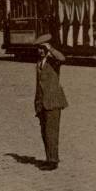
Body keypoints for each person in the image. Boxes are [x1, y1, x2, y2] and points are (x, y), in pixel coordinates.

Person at [33, 34, 68, 171]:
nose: (40, 51)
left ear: (47, 48)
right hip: (42, 102)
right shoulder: (38, 62)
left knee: (52, 132)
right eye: (38, 48)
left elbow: (62, 58)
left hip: (53, 101)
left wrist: (51, 49)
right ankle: (48, 158)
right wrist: (36, 102)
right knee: (45, 132)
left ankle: (53, 161)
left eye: (42, 48)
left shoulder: (53, 61)